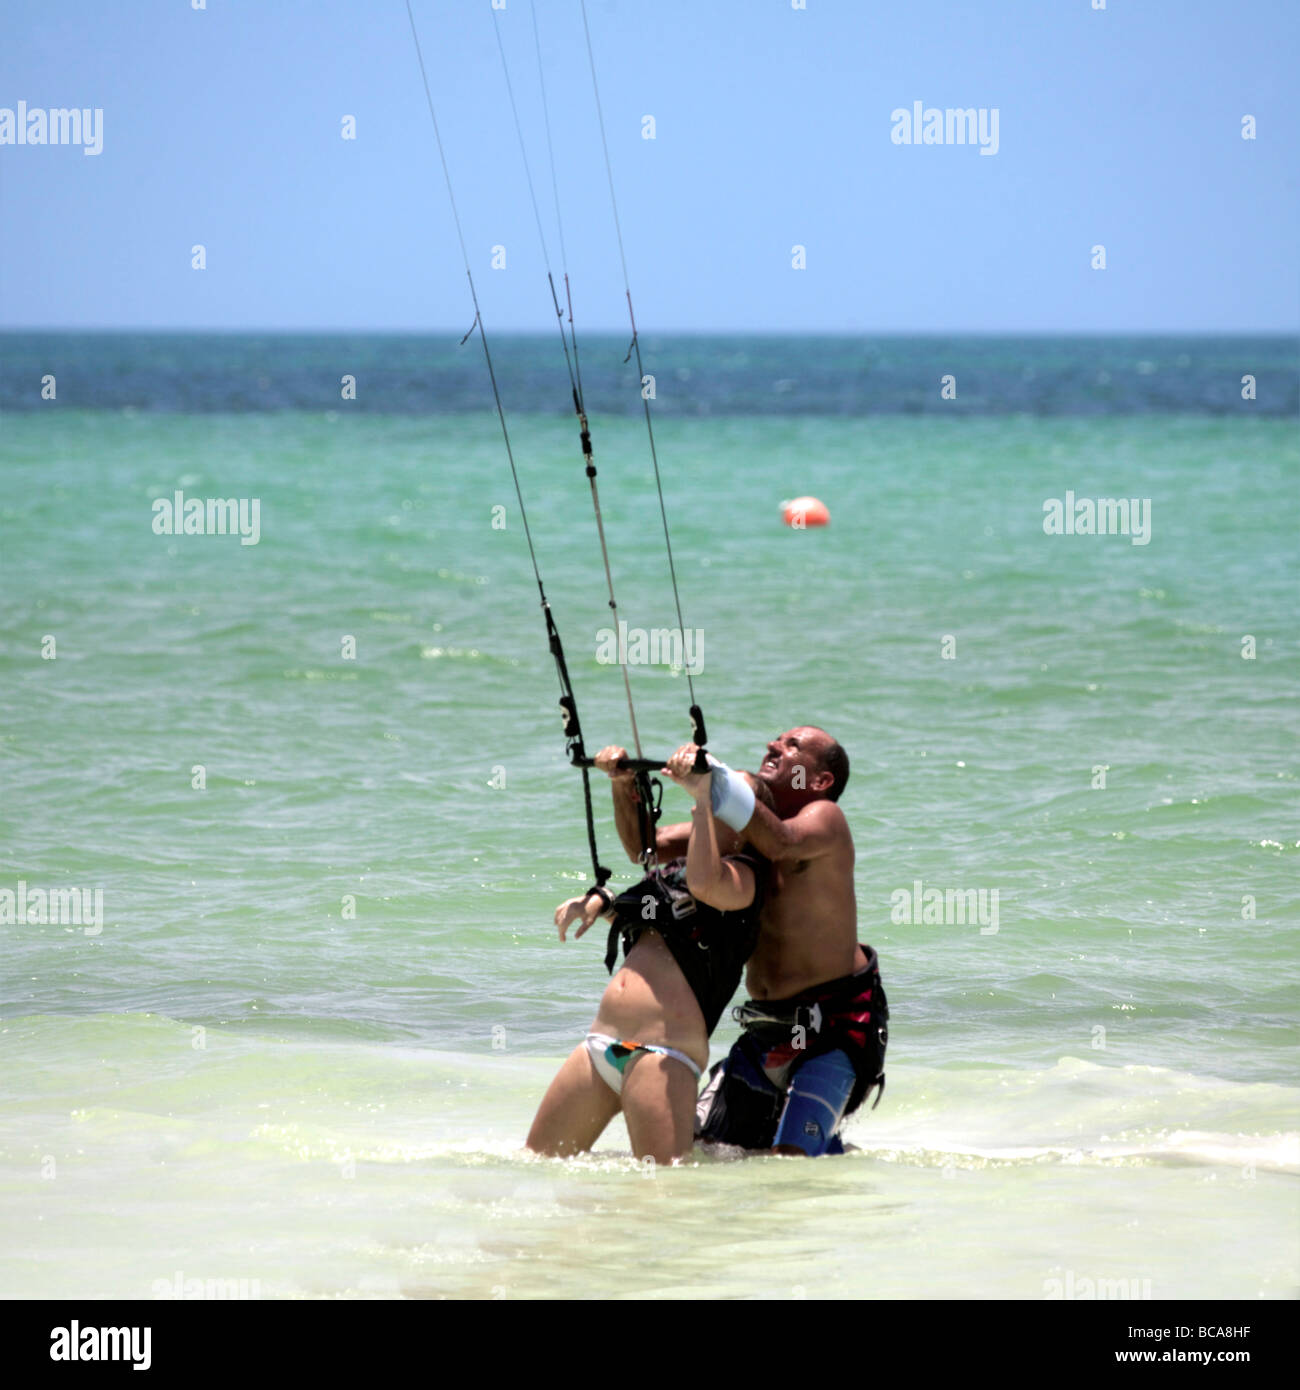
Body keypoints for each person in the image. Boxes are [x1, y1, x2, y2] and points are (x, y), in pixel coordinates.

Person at [604, 727, 887, 1157]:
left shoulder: (825, 820)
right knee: (701, 1149)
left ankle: (821, 1151)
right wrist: (623, 784)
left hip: (835, 1026)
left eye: (793, 747)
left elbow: (781, 842)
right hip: (768, 1026)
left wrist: (715, 781)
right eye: (776, 740)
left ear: (820, 781)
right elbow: (645, 847)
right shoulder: (750, 829)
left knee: (790, 1161)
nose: (774, 746)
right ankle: (828, 1146)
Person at [525, 747, 774, 1165]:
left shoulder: (745, 879)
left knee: (661, 1197)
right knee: (535, 1166)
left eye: (728, 798)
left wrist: (700, 798)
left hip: (662, 1055)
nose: (718, 801)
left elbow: (705, 882)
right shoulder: (679, 868)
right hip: (604, 1045)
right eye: (719, 793)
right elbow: (656, 906)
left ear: (750, 827)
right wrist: (599, 904)